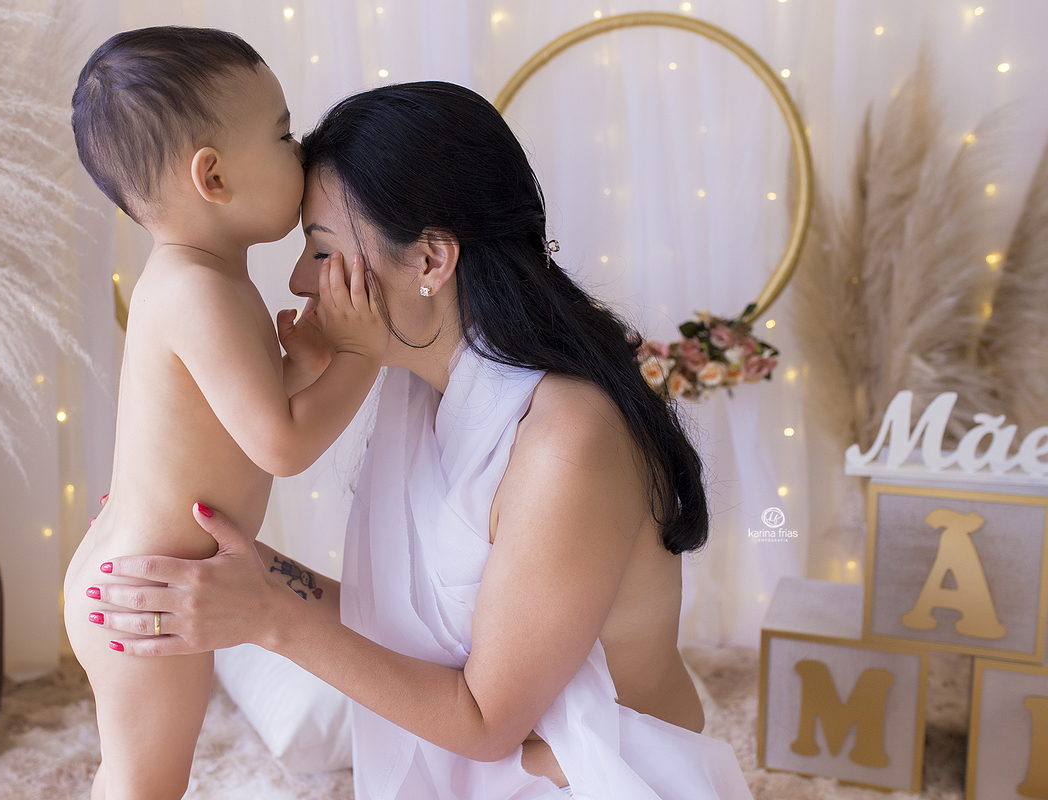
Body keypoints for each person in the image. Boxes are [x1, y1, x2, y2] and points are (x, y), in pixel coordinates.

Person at [86, 82, 753, 799]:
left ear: (431, 260)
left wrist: (271, 617)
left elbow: (484, 718)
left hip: (604, 781)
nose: (299, 279)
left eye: (322, 249)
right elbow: (420, 623)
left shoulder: (567, 440)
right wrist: (211, 561)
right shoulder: (423, 388)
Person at [62, 27, 388, 800]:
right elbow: (281, 445)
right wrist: (364, 353)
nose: (301, 151)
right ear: (211, 176)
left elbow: (229, 410)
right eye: (283, 134)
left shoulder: (201, 277)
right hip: (150, 597)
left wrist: (300, 364)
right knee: (145, 784)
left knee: (138, 774)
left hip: (141, 573)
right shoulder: (201, 292)